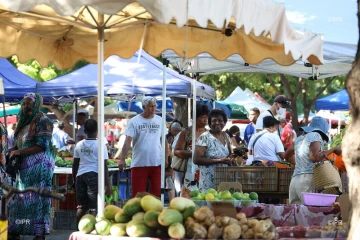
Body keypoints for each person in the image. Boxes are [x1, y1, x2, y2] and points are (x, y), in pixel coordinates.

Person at [8, 93, 55, 240]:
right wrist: (11, 150)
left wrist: (18, 151)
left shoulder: (44, 121)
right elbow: (22, 142)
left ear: (37, 105)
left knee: (37, 199)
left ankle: (39, 233)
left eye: (29, 104)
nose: (26, 106)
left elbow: (42, 145)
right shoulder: (25, 121)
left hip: (39, 167)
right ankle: (17, 229)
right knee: (22, 198)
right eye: (24, 103)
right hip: (24, 167)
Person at [118, 96, 165, 197]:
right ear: (143, 107)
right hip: (139, 163)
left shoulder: (160, 120)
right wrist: (122, 159)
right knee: (138, 195)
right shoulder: (134, 121)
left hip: (156, 162)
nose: (153, 109)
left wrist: (166, 158)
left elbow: (164, 141)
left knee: (156, 194)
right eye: (149, 106)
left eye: (154, 106)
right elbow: (127, 141)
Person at [72, 119, 111, 226]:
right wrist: (107, 184)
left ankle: (79, 231)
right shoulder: (100, 145)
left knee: (81, 207)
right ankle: (91, 233)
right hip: (94, 175)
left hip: (80, 176)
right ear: (97, 131)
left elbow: (75, 164)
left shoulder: (79, 144)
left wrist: (74, 180)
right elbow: (104, 165)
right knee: (94, 207)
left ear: (84, 131)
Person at [284, 116, 329, 204]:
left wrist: (300, 162)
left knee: (295, 212)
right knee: (308, 212)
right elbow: (314, 157)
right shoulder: (316, 135)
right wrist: (332, 150)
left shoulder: (299, 138)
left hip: (295, 180)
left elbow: (286, 155)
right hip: (307, 180)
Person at [194, 109, 236, 192]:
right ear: (209, 123)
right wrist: (219, 160)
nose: (217, 123)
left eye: (220, 120)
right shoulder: (204, 137)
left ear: (224, 123)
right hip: (208, 183)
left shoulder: (226, 136)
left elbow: (230, 154)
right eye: (214, 121)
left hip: (224, 181)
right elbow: (196, 159)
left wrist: (232, 158)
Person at [173, 103, 210, 197]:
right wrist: (193, 154)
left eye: (206, 117)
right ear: (195, 118)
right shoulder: (186, 132)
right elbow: (177, 151)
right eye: (203, 117)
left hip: (206, 172)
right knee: (188, 199)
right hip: (190, 171)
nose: (205, 120)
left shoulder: (209, 133)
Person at [165, 121, 182, 200]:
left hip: (175, 163)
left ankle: (175, 200)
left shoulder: (176, 137)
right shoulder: (175, 137)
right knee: (173, 183)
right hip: (174, 163)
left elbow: (171, 151)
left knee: (173, 184)